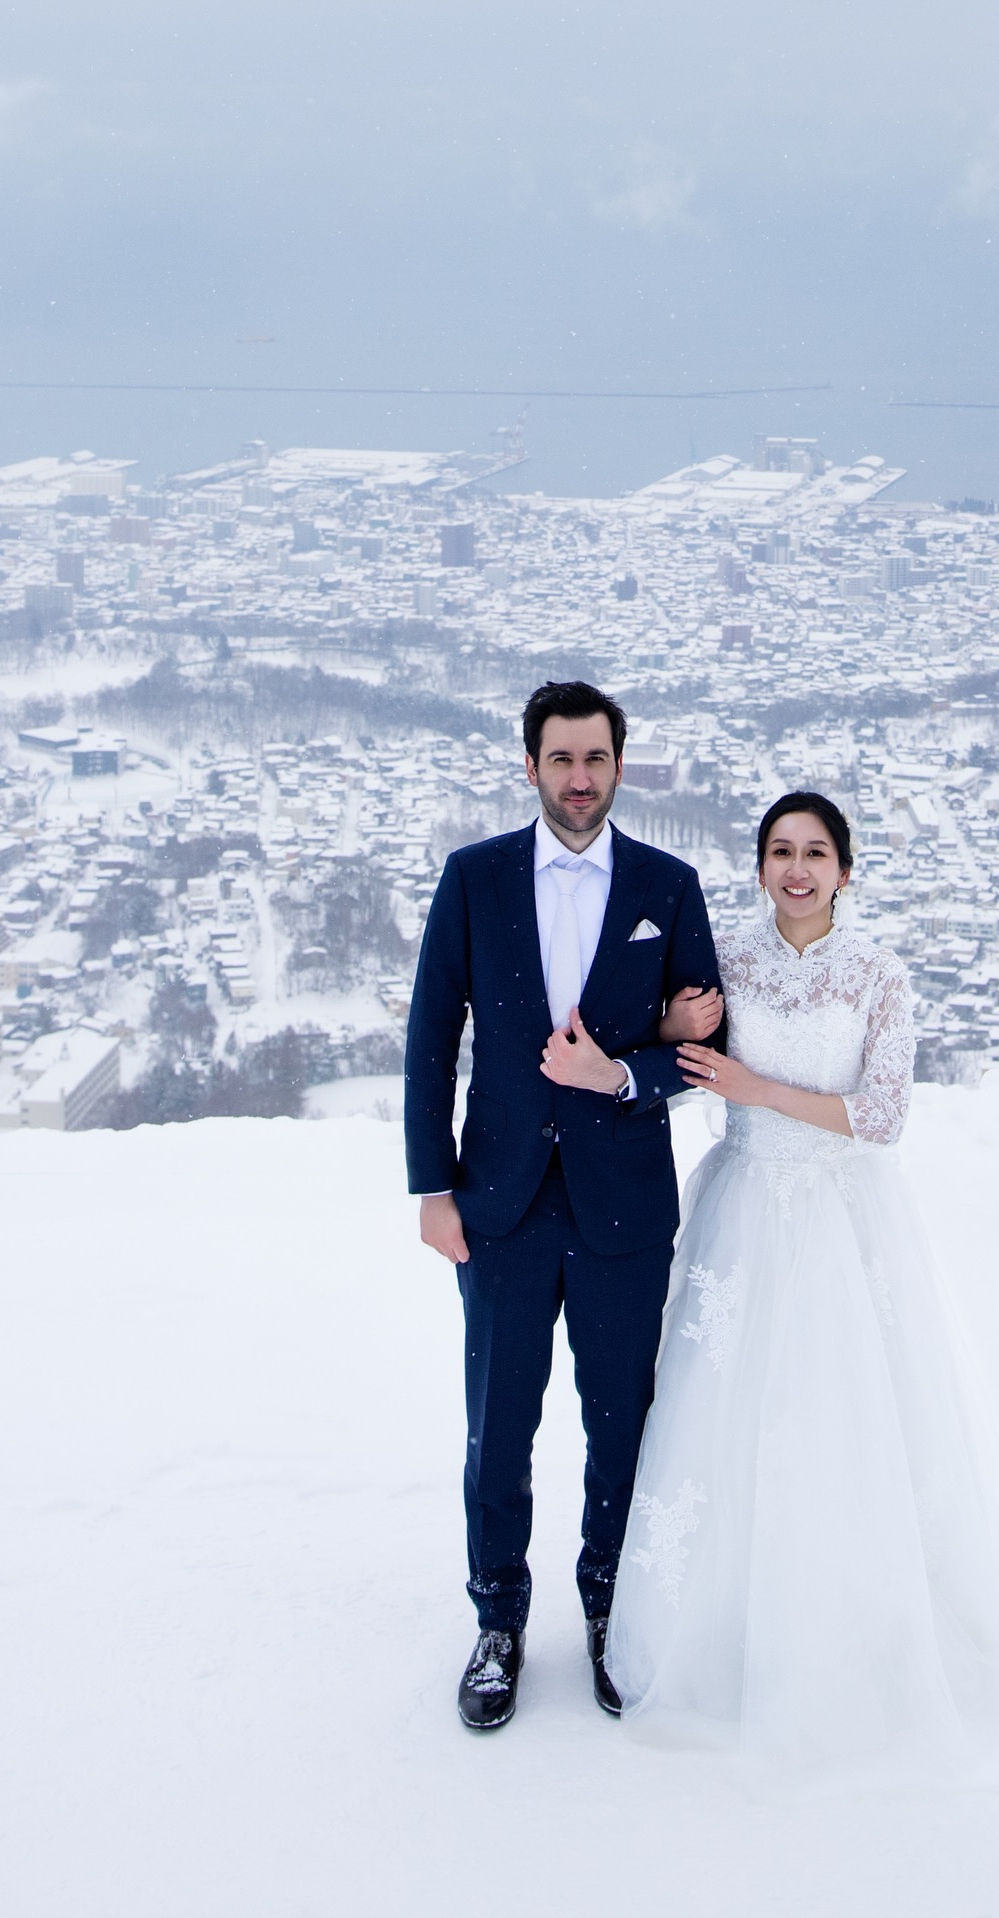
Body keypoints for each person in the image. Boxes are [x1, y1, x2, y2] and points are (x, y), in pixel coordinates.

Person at [605, 792, 999, 1773]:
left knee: (845, 1419)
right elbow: (671, 1052)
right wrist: (671, 1023)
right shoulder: (726, 963)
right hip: (740, 1213)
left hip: (841, 1218)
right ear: (757, 868)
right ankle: (721, 1630)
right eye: (780, 852)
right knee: (725, 1420)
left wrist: (756, 1091)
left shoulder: (878, 973)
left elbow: (881, 1117)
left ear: (845, 867)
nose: (797, 869)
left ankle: (859, 1628)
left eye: (816, 852)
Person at [404, 680, 725, 1732]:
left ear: (621, 766)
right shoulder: (473, 878)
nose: (579, 778)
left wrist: (622, 1076)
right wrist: (430, 1185)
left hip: (622, 1209)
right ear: (531, 766)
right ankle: (498, 1617)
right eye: (561, 759)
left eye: (596, 759)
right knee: (496, 1428)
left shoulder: (668, 887)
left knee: (618, 1424)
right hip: (495, 1205)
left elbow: (701, 1055)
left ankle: (609, 1605)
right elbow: (429, 1039)